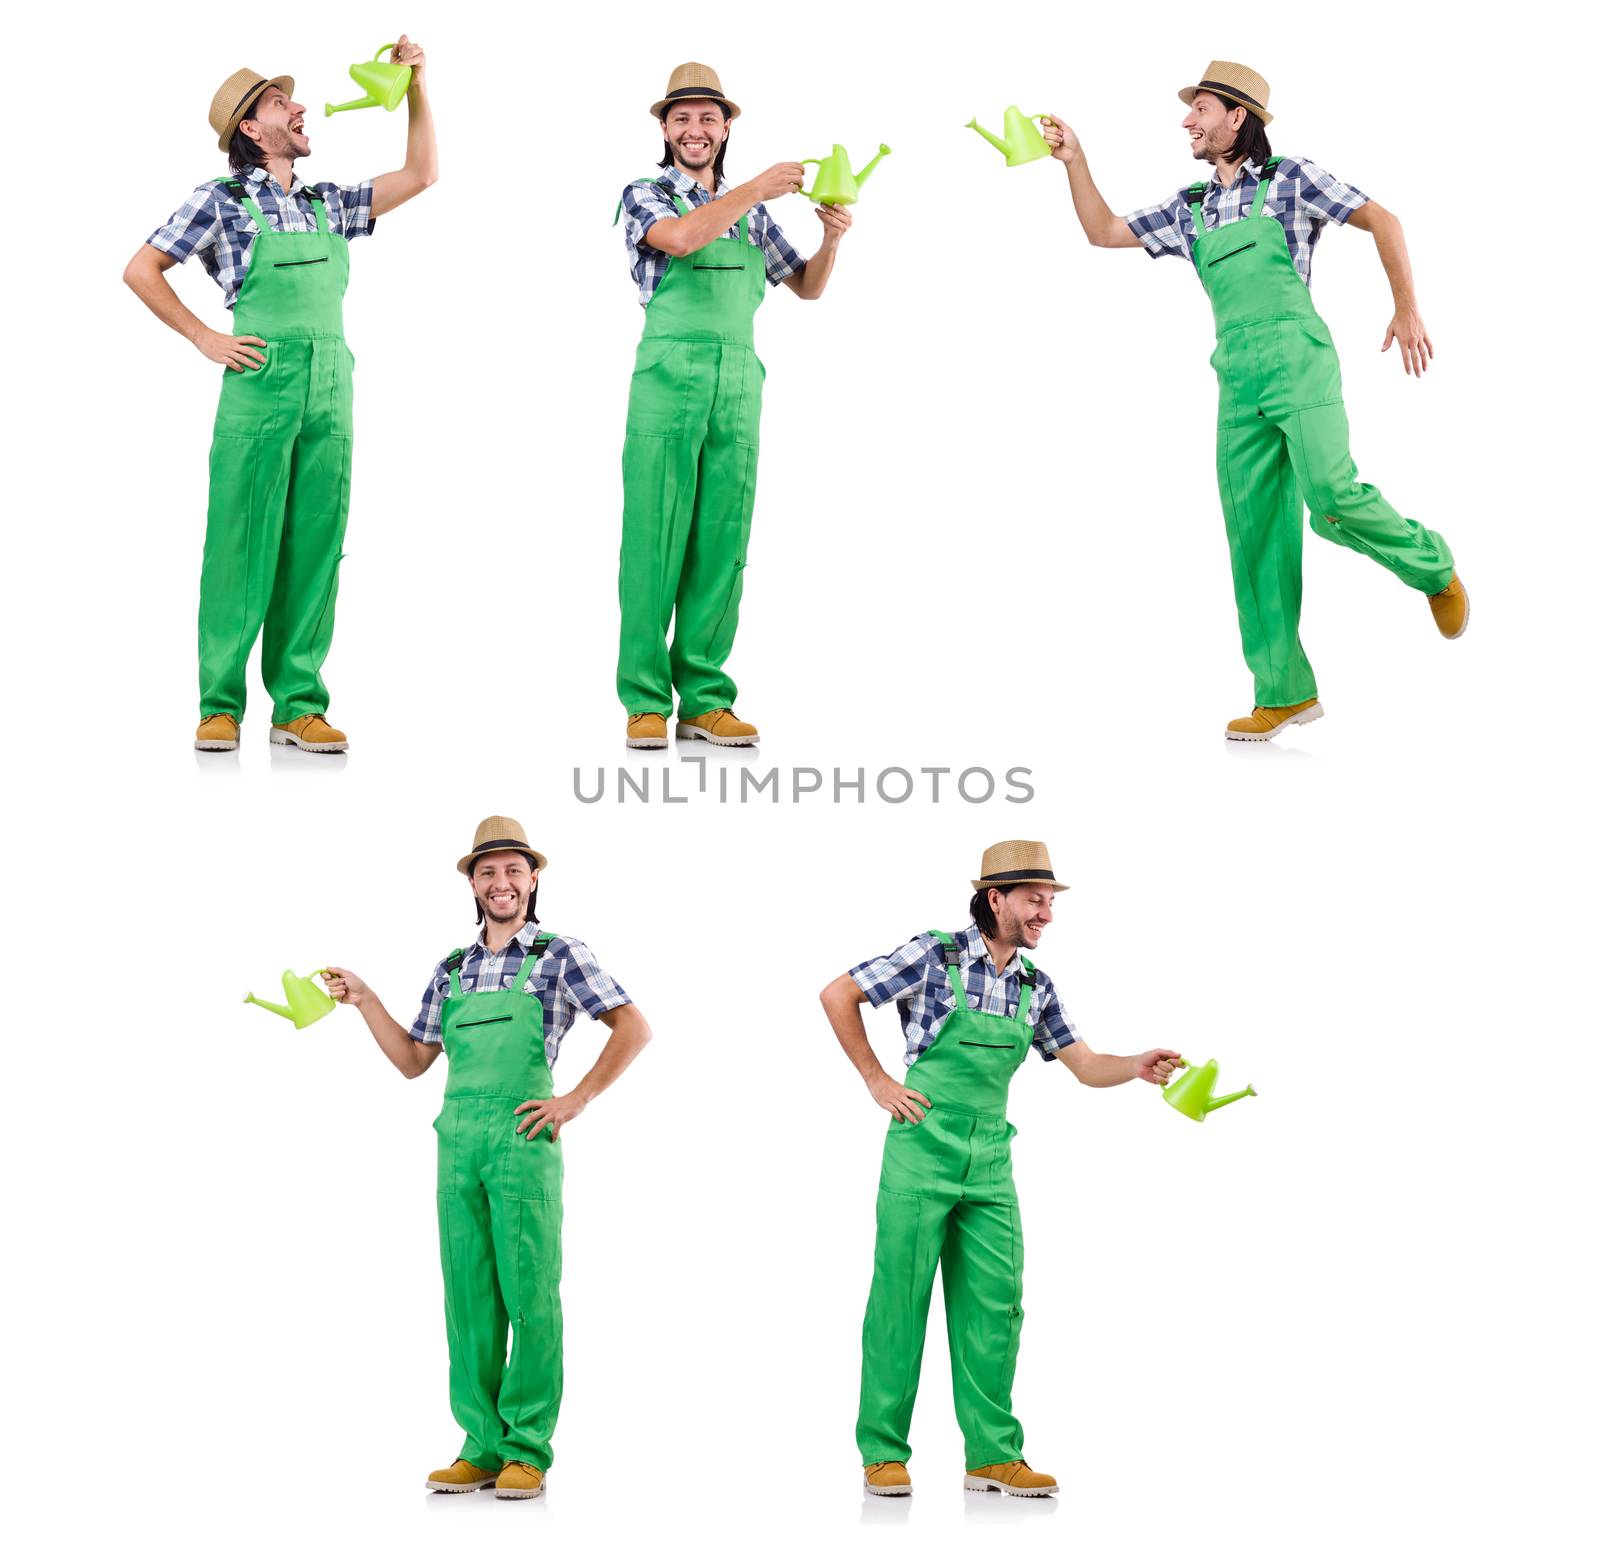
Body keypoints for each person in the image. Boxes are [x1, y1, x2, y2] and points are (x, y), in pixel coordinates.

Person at [1042, 62, 1466, 741]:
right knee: (1254, 535)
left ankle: (1433, 567)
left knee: (1329, 499)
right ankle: (1284, 690)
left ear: (1237, 117)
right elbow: (1104, 231)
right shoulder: (1190, 208)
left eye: (1200, 109)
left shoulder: (1290, 180)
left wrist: (1406, 307)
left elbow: (1383, 219)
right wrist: (1075, 160)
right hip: (1236, 377)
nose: (1188, 121)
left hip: (1297, 360)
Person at [820, 841, 1181, 1497]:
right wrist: (876, 1079)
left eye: (1050, 900)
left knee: (996, 1304)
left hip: (990, 1158)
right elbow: (838, 992)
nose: (1047, 912)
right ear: (997, 897)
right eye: (1036, 899)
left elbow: (1084, 1062)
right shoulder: (934, 954)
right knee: (900, 1299)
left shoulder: (1035, 986)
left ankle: (991, 1454)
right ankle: (882, 1451)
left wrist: (1134, 1066)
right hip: (920, 1143)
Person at [124, 40, 437, 753]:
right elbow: (142, 268)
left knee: (316, 545)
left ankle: (298, 702)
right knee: (241, 542)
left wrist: (418, 87)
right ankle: (220, 703)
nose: (298, 108)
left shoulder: (329, 203)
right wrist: (205, 337)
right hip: (259, 385)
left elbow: (423, 173)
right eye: (279, 103)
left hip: (332, 388)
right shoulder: (222, 200)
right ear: (251, 131)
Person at [325, 816, 651, 1498]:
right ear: (472, 884)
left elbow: (633, 1024)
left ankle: (527, 1445)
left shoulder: (560, 954)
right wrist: (365, 1000)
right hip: (456, 1146)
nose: (500, 882)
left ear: (534, 879)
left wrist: (576, 1098)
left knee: (529, 1292)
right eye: (487, 871)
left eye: (512, 869)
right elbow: (415, 1060)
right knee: (468, 1296)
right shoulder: (452, 967)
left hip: (523, 1140)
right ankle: (480, 1442)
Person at [615, 62, 852, 750]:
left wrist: (832, 237)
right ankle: (644, 698)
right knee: (654, 540)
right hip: (669, 375)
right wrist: (754, 188)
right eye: (682, 118)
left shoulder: (752, 213)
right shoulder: (646, 192)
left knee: (722, 541)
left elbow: (804, 287)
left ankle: (706, 697)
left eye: (708, 118)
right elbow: (682, 239)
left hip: (739, 381)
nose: (695, 129)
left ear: (725, 128)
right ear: (664, 128)